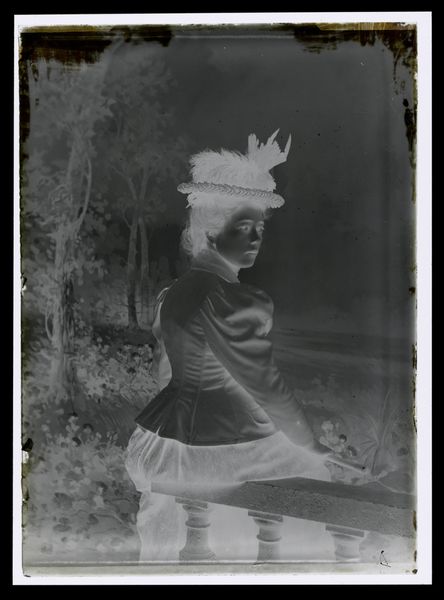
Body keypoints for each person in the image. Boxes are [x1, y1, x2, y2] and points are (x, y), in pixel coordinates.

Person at [125, 130, 333, 562]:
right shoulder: (231, 299)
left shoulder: (175, 293)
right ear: (210, 235)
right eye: (243, 228)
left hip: (161, 441)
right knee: (316, 473)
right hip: (208, 452)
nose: (255, 238)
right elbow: (267, 386)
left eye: (259, 228)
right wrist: (308, 441)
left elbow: (166, 375)